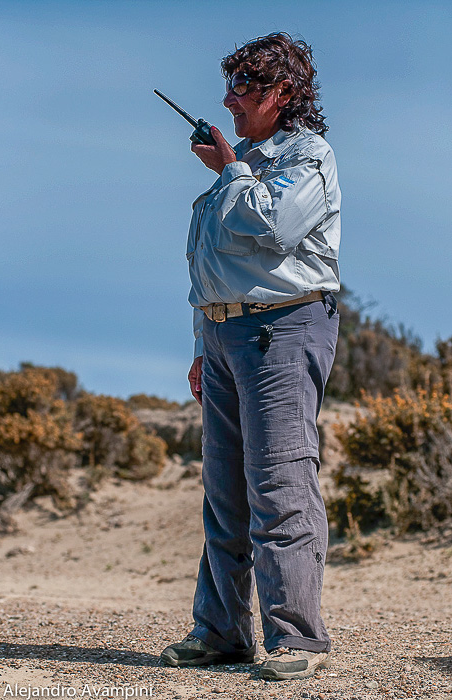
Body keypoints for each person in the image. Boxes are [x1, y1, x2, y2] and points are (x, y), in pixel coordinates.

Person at [160, 32, 341, 681]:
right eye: (230, 83)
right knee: (223, 495)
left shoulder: (307, 155)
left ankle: (296, 640)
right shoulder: (239, 166)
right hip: (223, 336)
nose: (229, 99)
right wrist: (199, 344)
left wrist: (230, 168)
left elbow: (271, 227)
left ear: (282, 93)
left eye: (245, 86)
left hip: (283, 330)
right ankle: (220, 634)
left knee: (279, 484)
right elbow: (213, 264)